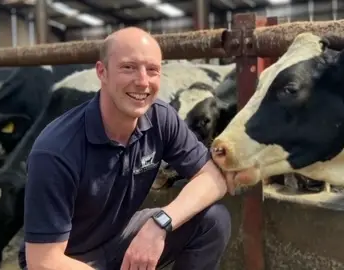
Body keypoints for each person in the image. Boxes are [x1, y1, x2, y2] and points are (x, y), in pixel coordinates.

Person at [18, 27, 236, 270]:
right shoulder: (56, 150)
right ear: (102, 72)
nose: (143, 81)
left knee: (213, 219)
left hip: (118, 239)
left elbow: (213, 176)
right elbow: (43, 261)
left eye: (152, 70)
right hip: (66, 259)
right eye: (128, 67)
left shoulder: (160, 118)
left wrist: (161, 223)